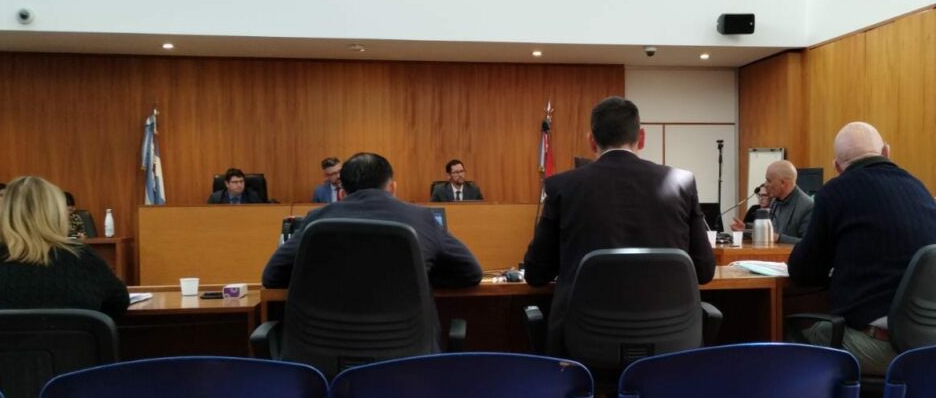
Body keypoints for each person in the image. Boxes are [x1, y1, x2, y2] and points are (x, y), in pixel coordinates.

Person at [524, 96, 716, 356]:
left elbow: (536, 273)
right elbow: (704, 271)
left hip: (584, 346)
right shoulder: (682, 183)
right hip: (669, 343)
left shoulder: (562, 186)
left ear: (592, 141)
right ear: (641, 137)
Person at [788, 122, 936, 375]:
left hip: (880, 348)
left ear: (837, 167)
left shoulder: (834, 192)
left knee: (789, 337)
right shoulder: (920, 189)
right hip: (928, 349)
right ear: (886, 152)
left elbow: (803, 272)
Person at [263, 152, 482, 289]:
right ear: (393, 188)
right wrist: (419, 279)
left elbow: (272, 276)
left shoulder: (316, 220)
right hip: (406, 347)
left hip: (329, 345)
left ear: (342, 194)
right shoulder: (422, 218)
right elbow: (471, 273)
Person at [0, 176, 130, 318]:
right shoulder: (81, 256)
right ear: (55, 212)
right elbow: (118, 303)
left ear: (4, 211)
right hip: (70, 349)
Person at [733, 160, 812, 243]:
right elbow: (770, 229)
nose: (765, 184)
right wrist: (746, 228)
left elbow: (810, 244)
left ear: (783, 183)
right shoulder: (775, 201)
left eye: (769, 180)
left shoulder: (807, 207)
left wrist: (779, 238)